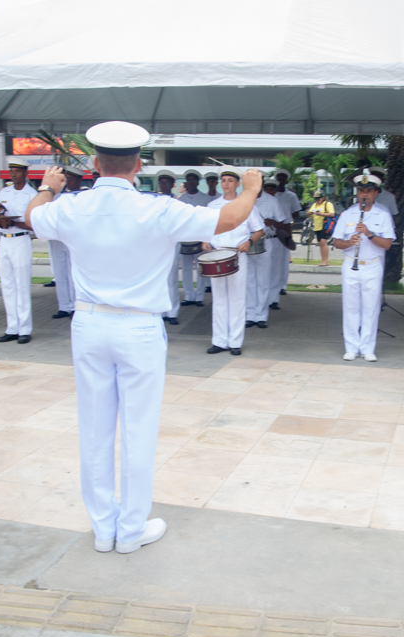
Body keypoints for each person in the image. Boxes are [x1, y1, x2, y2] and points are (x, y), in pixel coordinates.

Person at [24, 121, 263, 554]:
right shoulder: (159, 209)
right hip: (139, 327)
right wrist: (251, 188)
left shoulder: (72, 206)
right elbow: (230, 217)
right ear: (138, 165)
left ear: (95, 163)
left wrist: (47, 187)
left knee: (94, 428)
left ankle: (103, 529)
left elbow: (33, 217)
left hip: (89, 323)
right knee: (138, 430)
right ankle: (131, 530)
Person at [332, 170, 395, 362]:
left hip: (372, 266)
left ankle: (368, 347)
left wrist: (369, 234)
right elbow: (336, 242)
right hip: (351, 264)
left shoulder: (383, 215)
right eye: (361, 191)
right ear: (357, 193)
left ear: (376, 193)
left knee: (370, 308)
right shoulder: (347, 215)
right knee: (350, 307)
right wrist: (349, 242)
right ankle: (351, 347)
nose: (364, 195)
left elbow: (387, 244)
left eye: (368, 191)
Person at [204, 167, 266, 355]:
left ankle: (235, 342)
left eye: (230, 180)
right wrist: (205, 240)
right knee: (219, 299)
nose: (226, 184)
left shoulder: (247, 205)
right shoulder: (212, 205)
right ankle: (219, 340)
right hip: (216, 255)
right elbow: (205, 228)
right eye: (224, 180)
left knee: (237, 299)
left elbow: (259, 230)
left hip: (237, 255)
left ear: (238, 184)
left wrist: (249, 242)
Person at [0, 157, 37, 343]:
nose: (13, 174)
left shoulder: (31, 194)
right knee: (8, 286)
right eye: (11, 171)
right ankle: (12, 327)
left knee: (22, 285)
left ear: (25, 173)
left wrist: (13, 222)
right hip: (4, 240)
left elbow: (33, 223)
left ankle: (25, 329)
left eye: (17, 171)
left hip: (20, 240)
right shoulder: (5, 191)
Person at [47, 164, 86, 319]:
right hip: (58, 239)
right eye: (66, 179)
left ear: (79, 180)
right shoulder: (57, 196)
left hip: (74, 240)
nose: (68, 182)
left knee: (73, 273)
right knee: (60, 272)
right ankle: (64, 306)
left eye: (71, 179)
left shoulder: (84, 197)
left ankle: (76, 305)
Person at [247, 187, 280, 328]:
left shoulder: (272, 200)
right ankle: (250, 315)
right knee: (249, 282)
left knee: (263, 281)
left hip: (265, 242)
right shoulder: (243, 201)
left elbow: (282, 222)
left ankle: (261, 315)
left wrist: (270, 222)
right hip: (247, 244)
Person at [178, 169, 210, 307]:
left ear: (197, 182)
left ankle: (199, 297)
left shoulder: (205, 199)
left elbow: (208, 220)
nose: (191, 183)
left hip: (200, 238)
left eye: (193, 180)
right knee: (186, 269)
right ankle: (189, 296)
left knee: (200, 268)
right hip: (185, 239)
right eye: (189, 180)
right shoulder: (181, 200)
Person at [156, 170, 182, 325]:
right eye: (162, 183)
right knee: (158, 278)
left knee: (171, 278)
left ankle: (172, 312)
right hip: (157, 243)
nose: (164, 186)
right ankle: (160, 311)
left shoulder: (177, 203)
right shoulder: (154, 201)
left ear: (173, 185)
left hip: (172, 241)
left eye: (167, 183)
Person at [262, 178, 291, 310]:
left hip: (276, 239)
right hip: (261, 240)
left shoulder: (281, 203)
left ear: (276, 190)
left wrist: (273, 222)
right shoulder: (256, 202)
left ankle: (273, 299)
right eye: (267, 188)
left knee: (275, 270)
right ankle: (262, 299)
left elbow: (285, 224)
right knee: (263, 272)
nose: (269, 191)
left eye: (272, 189)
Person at [273, 169, 301, 298]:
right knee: (272, 259)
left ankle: (282, 286)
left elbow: (296, 212)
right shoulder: (271, 194)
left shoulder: (291, 196)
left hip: (285, 229)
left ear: (286, 181)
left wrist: (286, 217)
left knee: (284, 260)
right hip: (271, 229)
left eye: (283, 178)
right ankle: (272, 284)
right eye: (279, 178)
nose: (281, 180)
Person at [308, 189, 336, 266]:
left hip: (325, 225)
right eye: (315, 199)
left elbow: (332, 214)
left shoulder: (327, 204)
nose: (317, 201)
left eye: (318, 199)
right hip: (317, 226)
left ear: (323, 198)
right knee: (320, 243)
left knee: (324, 242)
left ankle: (326, 261)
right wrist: (309, 213)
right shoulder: (315, 205)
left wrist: (321, 214)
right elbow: (309, 213)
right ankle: (323, 260)